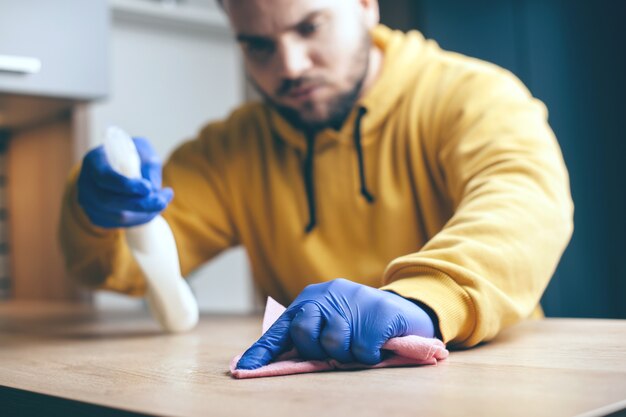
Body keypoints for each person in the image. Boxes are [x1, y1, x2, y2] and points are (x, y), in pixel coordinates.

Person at [59, 0, 573, 371]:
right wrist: (99, 214)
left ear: (366, 5)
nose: (289, 66)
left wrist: (425, 303)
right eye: (258, 45)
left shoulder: (472, 96)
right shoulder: (231, 149)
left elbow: (525, 204)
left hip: (482, 378)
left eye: (309, 28)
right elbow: (115, 271)